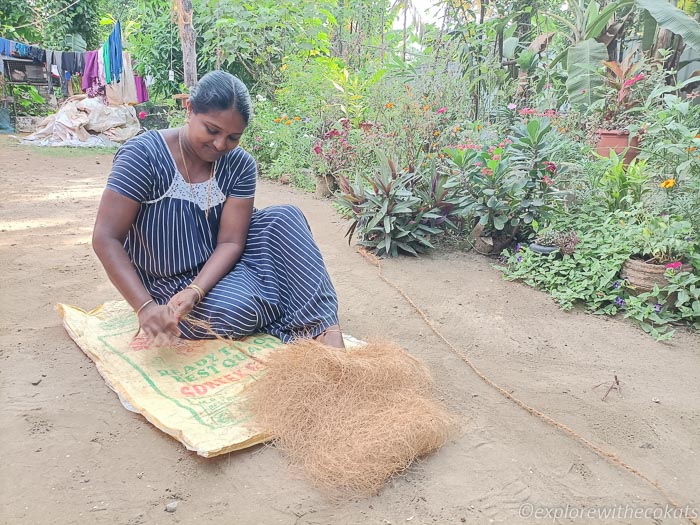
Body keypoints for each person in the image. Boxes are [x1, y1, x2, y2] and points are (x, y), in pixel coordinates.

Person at [92, 70, 344, 349]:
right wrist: (145, 307)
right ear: (189, 109)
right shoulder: (143, 156)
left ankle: (323, 328)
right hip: (168, 284)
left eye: (233, 137)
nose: (220, 145)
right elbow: (106, 237)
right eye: (212, 130)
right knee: (237, 310)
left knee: (286, 217)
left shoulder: (240, 165)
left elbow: (230, 241)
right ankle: (288, 297)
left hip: (224, 267)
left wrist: (197, 290)